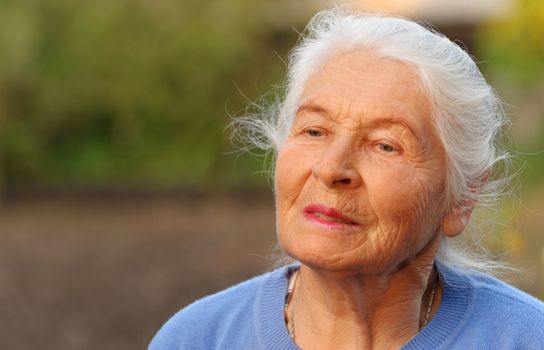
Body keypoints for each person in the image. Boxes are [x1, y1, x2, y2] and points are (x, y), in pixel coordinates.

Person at [149, 7, 544, 350]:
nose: (331, 169)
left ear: (462, 198)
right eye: (314, 131)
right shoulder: (197, 340)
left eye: (386, 146)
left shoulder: (525, 339)